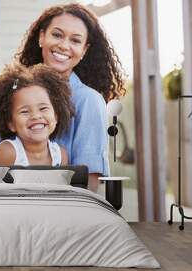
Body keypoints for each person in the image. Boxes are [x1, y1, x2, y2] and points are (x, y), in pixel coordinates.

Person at [16, 3, 126, 191]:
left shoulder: (88, 101)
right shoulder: (17, 91)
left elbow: (89, 180)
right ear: (42, 37)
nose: (64, 45)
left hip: (61, 211)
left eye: (75, 40)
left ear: (84, 50)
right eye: (57, 35)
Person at [0, 64, 74, 166]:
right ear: (11, 124)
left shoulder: (60, 156)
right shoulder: (8, 152)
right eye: (24, 111)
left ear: (56, 116)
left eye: (43, 108)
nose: (35, 116)